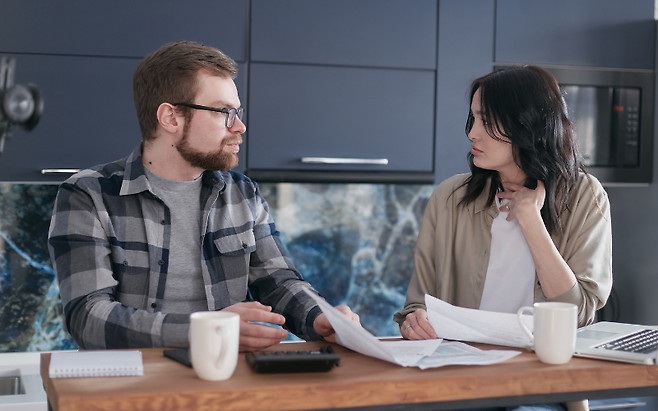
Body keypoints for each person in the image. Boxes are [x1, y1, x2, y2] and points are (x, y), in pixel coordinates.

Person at [48, 40, 358, 352]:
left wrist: (321, 317)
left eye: (237, 112)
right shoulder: (87, 195)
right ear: (171, 118)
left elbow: (279, 282)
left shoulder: (242, 193)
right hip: (136, 379)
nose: (240, 126)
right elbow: (88, 317)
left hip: (225, 375)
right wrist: (206, 330)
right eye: (224, 112)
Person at [393, 65, 612, 411]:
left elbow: (577, 313)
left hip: (542, 386)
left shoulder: (586, 196)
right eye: (473, 119)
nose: (472, 133)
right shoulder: (449, 198)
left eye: (486, 121)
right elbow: (415, 307)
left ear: (527, 125)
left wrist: (531, 221)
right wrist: (414, 323)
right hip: (458, 383)